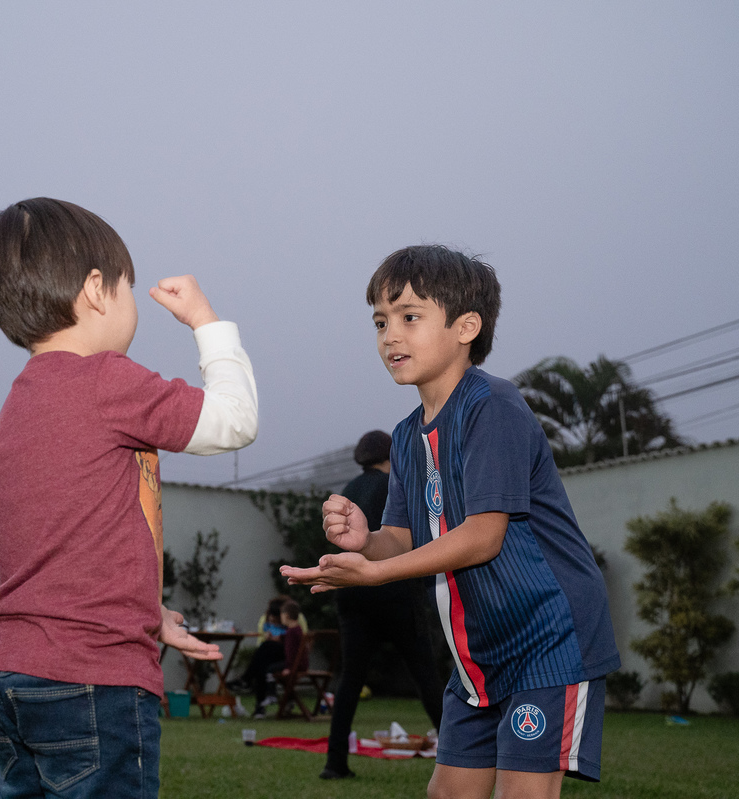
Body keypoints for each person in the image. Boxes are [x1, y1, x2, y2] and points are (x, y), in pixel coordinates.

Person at [282, 245, 619, 798]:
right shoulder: (407, 438)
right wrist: (366, 543)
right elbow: (406, 538)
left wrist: (377, 575)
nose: (391, 335)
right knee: (447, 792)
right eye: (380, 322)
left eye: (410, 317)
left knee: (523, 792)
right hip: (476, 656)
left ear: (466, 326)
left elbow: (484, 536)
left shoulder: (493, 407)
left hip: (549, 639)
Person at [0, 197, 258, 798]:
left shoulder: (20, 403)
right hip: (92, 681)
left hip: (12, 675)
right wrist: (207, 321)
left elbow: (60, 548)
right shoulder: (105, 380)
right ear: (97, 289)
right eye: (128, 289)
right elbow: (234, 421)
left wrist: (146, 613)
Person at [319, 430, 445, 780]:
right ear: (391, 455)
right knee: (426, 677)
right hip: (395, 593)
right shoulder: (395, 486)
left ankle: (334, 762)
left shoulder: (349, 489)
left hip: (352, 595)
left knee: (349, 680)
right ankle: (458, 759)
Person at [251, 599, 303, 719]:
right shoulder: (296, 630)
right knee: (265, 663)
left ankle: (271, 695)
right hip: (293, 662)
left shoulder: (291, 632)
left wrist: (289, 667)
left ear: (286, 616)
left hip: (293, 664)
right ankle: (272, 698)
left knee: (268, 668)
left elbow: (291, 652)